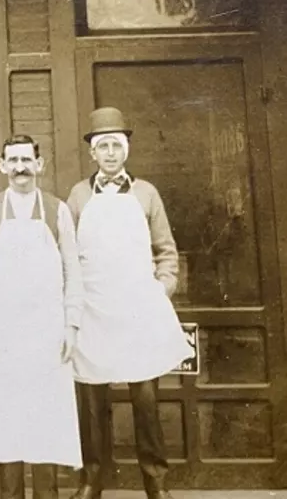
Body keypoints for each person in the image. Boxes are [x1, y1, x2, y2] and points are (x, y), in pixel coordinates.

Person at [67, 107, 194, 499]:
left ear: (127, 149)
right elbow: (66, 254)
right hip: (93, 310)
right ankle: (92, 479)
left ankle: (155, 482)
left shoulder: (146, 193)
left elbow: (166, 251)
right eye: (102, 145)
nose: (109, 153)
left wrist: (161, 289)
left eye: (116, 145)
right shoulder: (77, 195)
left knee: (146, 400)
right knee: (92, 400)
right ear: (91, 152)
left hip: (138, 308)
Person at [0, 134, 84, 499]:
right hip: (2, 338)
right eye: (12, 161)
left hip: (47, 335)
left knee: (45, 421)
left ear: (39, 164)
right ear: (2, 166)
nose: (20, 168)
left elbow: (72, 272)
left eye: (26, 160)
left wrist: (71, 326)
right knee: (8, 421)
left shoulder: (56, 210)